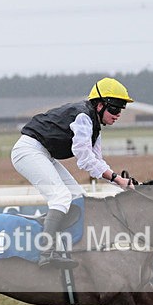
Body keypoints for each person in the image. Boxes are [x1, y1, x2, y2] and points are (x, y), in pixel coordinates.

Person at [11, 77, 136, 269]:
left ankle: (62, 244)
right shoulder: (83, 117)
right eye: (115, 109)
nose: (118, 115)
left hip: (44, 154)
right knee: (61, 197)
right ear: (100, 105)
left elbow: (97, 162)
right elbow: (84, 159)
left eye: (121, 110)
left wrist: (119, 182)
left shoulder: (94, 126)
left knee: (78, 197)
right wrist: (117, 179)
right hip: (28, 151)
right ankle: (46, 253)